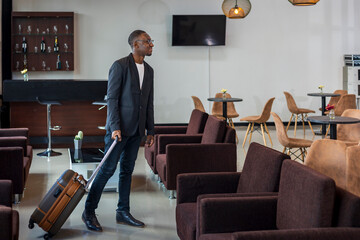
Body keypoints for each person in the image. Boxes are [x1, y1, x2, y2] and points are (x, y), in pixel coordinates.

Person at [82, 30, 155, 232]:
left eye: (151, 42)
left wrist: (151, 130)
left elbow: (149, 102)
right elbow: (112, 99)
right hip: (119, 130)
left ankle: (122, 211)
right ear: (135, 44)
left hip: (137, 130)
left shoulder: (149, 70)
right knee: (107, 170)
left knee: (127, 171)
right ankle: (88, 211)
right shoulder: (120, 65)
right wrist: (114, 127)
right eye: (147, 41)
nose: (151, 45)